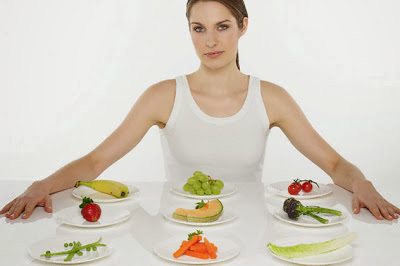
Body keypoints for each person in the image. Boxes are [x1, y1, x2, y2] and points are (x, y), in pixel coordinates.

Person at [1, 0, 399, 221]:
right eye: (199, 28)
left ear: (243, 26)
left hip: (249, 233)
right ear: (189, 30)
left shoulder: (271, 97)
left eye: (222, 26)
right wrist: (42, 184)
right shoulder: (162, 96)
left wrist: (362, 182)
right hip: (178, 232)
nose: (210, 41)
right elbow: (95, 161)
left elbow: (333, 162)